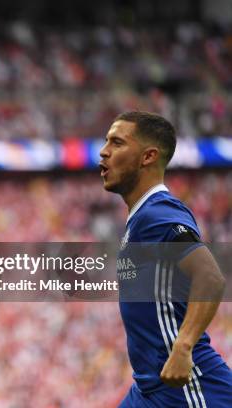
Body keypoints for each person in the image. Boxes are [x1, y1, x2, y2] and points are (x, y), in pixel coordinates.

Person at [99, 111, 232, 407]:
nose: (103, 151)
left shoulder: (157, 214)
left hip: (186, 387)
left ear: (148, 156)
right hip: (148, 387)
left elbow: (210, 277)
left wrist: (183, 347)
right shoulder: (140, 219)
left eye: (117, 143)